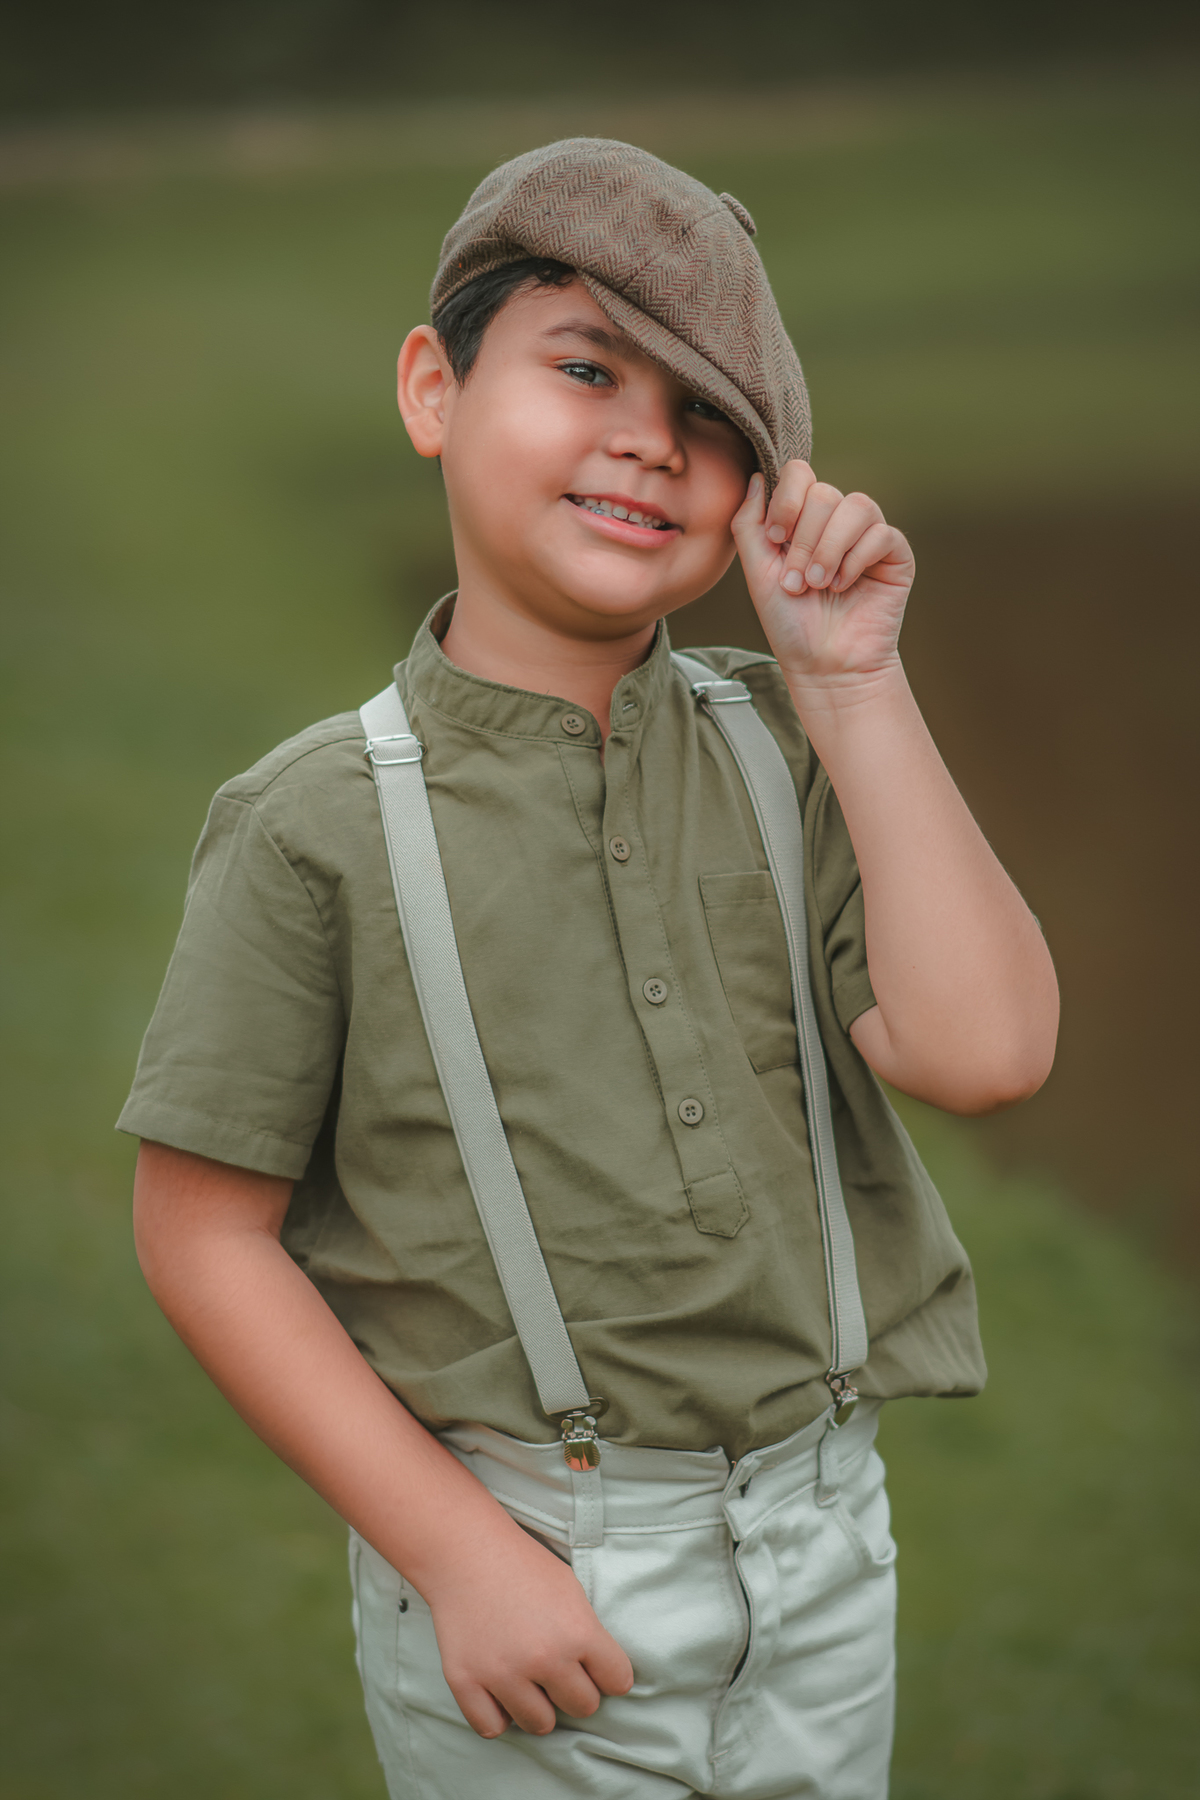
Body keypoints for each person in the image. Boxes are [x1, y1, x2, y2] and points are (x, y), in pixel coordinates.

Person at [121, 140, 1058, 1798]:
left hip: (825, 1549)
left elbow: (985, 1053)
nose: (649, 439)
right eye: (585, 370)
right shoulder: (314, 822)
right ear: (434, 390)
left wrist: (853, 685)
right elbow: (202, 1233)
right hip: (522, 1555)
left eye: (708, 414)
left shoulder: (789, 751)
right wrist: (453, 1552)